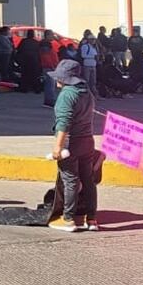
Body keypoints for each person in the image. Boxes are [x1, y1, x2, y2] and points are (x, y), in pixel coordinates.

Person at [46, 59, 98, 232]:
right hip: (87, 140)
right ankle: (91, 219)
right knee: (88, 180)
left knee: (70, 180)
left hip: (71, 143)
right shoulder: (86, 92)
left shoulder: (67, 95)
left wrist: (57, 147)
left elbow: (64, 123)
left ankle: (68, 219)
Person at [39, 35, 60, 107]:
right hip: (50, 68)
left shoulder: (46, 50)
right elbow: (48, 60)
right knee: (50, 85)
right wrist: (53, 67)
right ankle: (50, 100)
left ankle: (49, 100)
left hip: (49, 67)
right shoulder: (47, 50)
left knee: (50, 85)